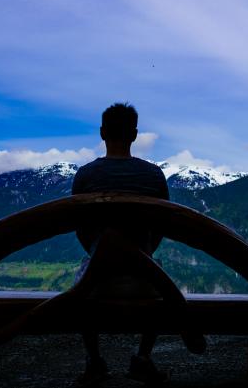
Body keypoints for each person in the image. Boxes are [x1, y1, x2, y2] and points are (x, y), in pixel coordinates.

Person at [71, 102, 169, 385]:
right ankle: (142, 358)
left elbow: (81, 229)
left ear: (102, 133)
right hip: (146, 281)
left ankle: (94, 361)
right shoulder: (153, 176)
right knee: (159, 273)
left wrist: (97, 252)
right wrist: (143, 253)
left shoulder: (86, 176)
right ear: (135, 135)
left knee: (82, 279)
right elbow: (162, 227)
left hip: (96, 282)